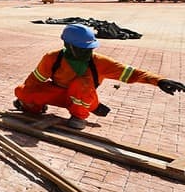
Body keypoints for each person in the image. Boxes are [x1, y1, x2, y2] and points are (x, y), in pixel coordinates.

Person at [14, 24, 185, 129]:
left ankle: (80, 115)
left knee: (81, 84)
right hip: (59, 93)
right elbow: (34, 80)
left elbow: (132, 73)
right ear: (68, 45)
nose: (87, 51)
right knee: (22, 91)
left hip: (84, 96)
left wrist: (159, 80)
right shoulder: (53, 58)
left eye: (89, 48)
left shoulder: (100, 62)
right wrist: (27, 99)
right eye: (82, 48)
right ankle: (36, 108)